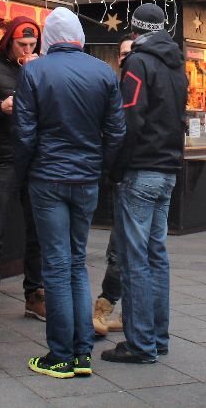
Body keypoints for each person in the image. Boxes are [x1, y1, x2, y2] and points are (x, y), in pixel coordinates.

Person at [14, 7, 125, 379]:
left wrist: (24, 173)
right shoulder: (104, 72)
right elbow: (116, 132)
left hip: (47, 177)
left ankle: (59, 354)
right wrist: (101, 168)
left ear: (49, 37)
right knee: (77, 262)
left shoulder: (33, 70)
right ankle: (81, 354)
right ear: (78, 36)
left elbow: (25, 133)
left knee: (56, 266)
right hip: (86, 179)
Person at [101, 4, 189, 364]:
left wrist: (116, 168)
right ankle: (158, 337)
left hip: (141, 170)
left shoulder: (137, 62)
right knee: (156, 256)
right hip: (167, 170)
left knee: (135, 258)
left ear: (135, 32)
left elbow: (129, 120)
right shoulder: (176, 64)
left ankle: (140, 344)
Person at [0, 16, 45, 319]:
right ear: (8, 42)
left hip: (36, 158)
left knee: (38, 229)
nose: (27, 49)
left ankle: (35, 293)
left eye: (32, 44)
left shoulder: (42, 66)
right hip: (2, 157)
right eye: (22, 44)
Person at [93, 35, 135, 338]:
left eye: (128, 54)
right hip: (123, 173)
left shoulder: (134, 87)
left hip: (131, 174)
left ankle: (106, 305)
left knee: (122, 246)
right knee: (125, 246)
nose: (124, 59)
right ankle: (127, 313)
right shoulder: (115, 87)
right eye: (121, 54)